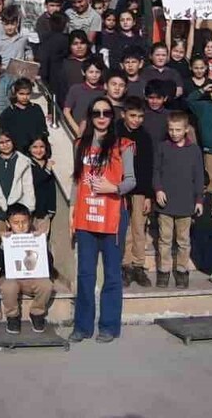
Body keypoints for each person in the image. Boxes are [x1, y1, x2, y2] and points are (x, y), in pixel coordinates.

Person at [71, 97, 136, 343]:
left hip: (113, 216)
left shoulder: (124, 145)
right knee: (85, 274)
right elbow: (76, 181)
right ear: (90, 116)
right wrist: (71, 211)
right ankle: (82, 326)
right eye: (96, 112)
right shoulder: (80, 144)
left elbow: (132, 181)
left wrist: (113, 187)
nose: (101, 117)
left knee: (111, 274)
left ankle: (108, 326)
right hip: (86, 216)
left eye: (106, 113)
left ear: (112, 116)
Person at [152, 112, 203, 289]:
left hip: (186, 202)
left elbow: (198, 176)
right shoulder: (162, 147)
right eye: (171, 129)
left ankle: (182, 271)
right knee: (164, 240)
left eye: (178, 130)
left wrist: (199, 200)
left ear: (186, 130)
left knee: (183, 240)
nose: (174, 133)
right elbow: (156, 172)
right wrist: (158, 190)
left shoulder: (194, 150)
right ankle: (164, 271)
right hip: (165, 203)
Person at [0, 203, 54, 334]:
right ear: (8, 224)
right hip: (11, 278)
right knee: (8, 287)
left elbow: (49, 264)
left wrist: (41, 245)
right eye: (16, 222)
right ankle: (12, 316)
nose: (20, 226)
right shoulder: (4, 240)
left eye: (24, 222)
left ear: (30, 221)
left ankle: (37, 313)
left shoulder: (36, 238)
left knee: (46, 285)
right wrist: (2, 245)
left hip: (32, 277)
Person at [115, 96, 153, 289]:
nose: (136, 120)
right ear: (123, 115)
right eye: (132, 116)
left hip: (139, 190)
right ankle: (125, 264)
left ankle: (138, 265)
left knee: (139, 227)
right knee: (124, 228)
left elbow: (148, 168)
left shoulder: (145, 137)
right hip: (120, 189)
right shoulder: (115, 133)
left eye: (140, 116)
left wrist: (148, 195)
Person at [0, 129, 36, 238]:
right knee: (0, 242)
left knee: (19, 243)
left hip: (18, 209)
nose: (5, 145)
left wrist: (29, 207)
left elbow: (28, 186)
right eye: (1, 142)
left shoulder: (23, 161)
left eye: (8, 141)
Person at [0, 78, 48, 153]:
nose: (25, 97)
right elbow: (1, 134)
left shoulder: (36, 109)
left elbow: (43, 131)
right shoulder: (8, 112)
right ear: (15, 93)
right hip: (16, 153)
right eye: (21, 94)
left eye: (28, 94)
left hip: (34, 153)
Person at [63, 56, 107, 136]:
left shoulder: (104, 91)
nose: (94, 75)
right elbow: (66, 111)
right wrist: (77, 130)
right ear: (83, 72)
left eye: (97, 72)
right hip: (79, 132)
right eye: (91, 72)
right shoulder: (76, 89)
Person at [26, 134, 57, 236]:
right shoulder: (27, 164)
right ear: (29, 149)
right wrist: (47, 170)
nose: (38, 150)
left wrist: (51, 209)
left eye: (41, 147)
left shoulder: (48, 163)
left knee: (42, 241)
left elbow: (52, 189)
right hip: (30, 210)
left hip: (45, 211)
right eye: (35, 147)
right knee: (29, 240)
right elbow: (34, 181)